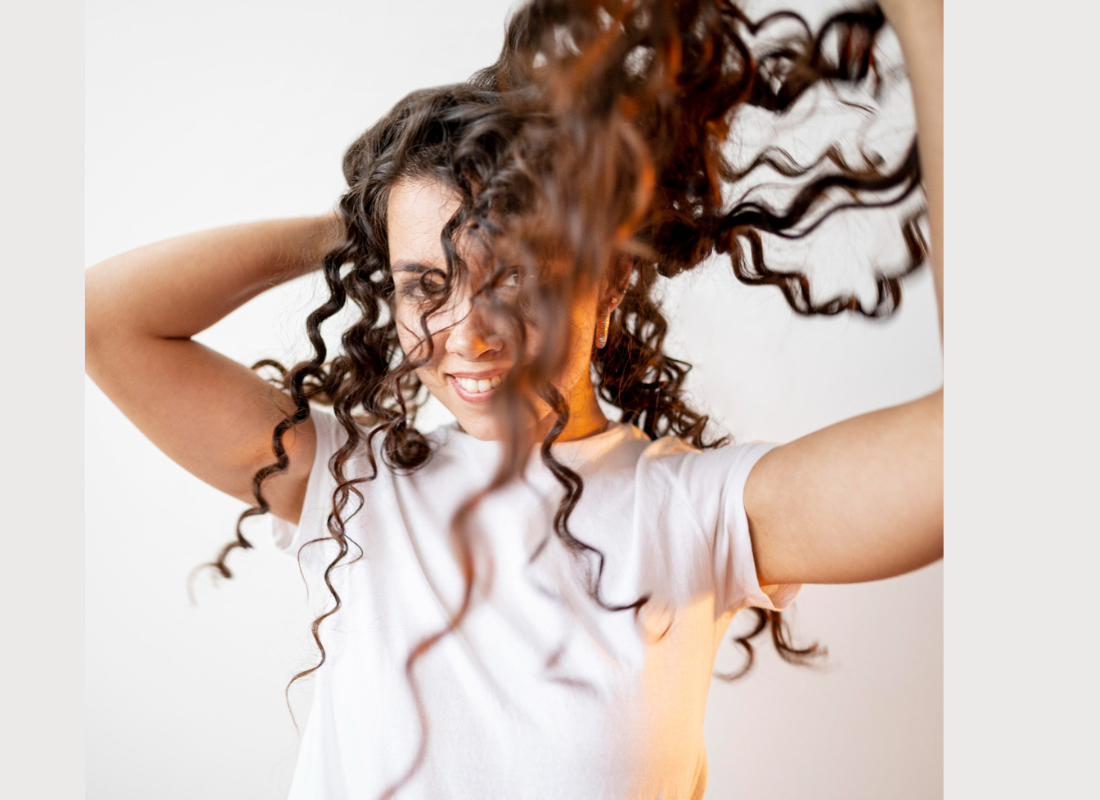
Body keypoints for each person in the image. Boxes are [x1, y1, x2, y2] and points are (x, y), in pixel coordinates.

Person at [85, 1, 942, 798]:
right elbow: (101, 323)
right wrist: (360, 219)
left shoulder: (696, 513)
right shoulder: (351, 488)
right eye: (427, 284)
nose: (468, 334)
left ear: (606, 284)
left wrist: (935, 21)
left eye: (516, 279)